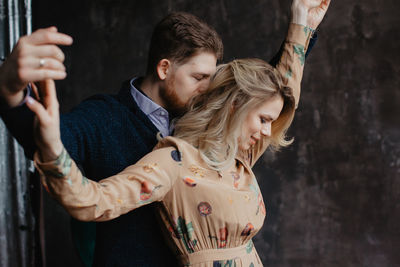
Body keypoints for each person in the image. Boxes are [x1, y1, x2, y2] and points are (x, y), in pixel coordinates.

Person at [0, 0, 330, 266]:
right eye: (199, 77)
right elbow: (48, 138)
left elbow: (260, 97)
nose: (209, 89)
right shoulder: (104, 118)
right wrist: (11, 89)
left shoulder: (209, 126)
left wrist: (301, 26)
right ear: (164, 69)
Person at [31, 57, 297, 267]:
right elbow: (95, 202)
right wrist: (52, 147)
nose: (266, 132)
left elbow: (288, 86)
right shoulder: (174, 160)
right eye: (263, 120)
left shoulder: (238, 159)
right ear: (235, 105)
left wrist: (302, 22)